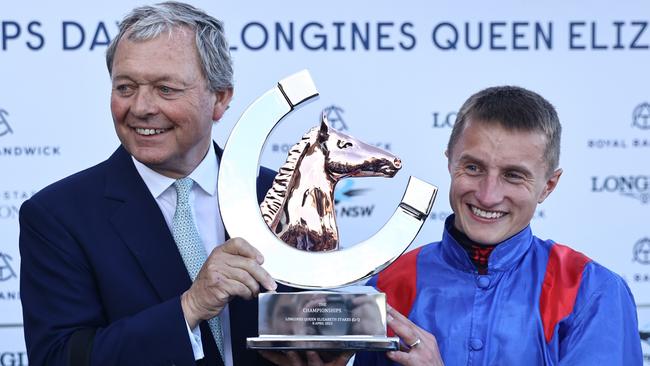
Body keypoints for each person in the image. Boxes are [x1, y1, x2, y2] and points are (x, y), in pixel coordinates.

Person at [18, 2, 288, 365]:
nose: (141, 107)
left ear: (220, 99)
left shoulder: (282, 197)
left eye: (166, 89)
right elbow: (58, 359)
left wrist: (340, 351)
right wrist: (189, 308)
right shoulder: (58, 217)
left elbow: (320, 330)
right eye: (126, 87)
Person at [354, 86, 643, 365]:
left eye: (514, 175)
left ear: (548, 186)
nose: (488, 195)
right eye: (473, 168)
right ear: (450, 163)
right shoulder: (387, 284)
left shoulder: (593, 292)